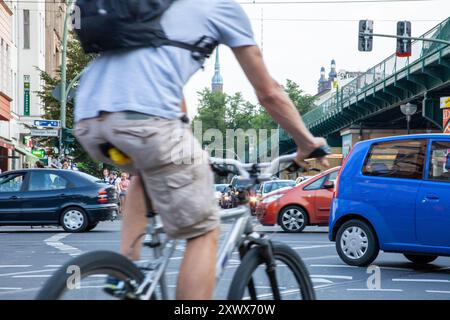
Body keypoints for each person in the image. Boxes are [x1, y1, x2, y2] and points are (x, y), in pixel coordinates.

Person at [74, 0, 328, 300]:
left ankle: (126, 272)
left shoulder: (157, 7)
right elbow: (269, 93)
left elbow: (170, 93)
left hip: (90, 119)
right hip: (143, 120)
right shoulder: (222, 8)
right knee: (204, 232)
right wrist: (306, 142)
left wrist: (184, 140)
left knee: (146, 168)